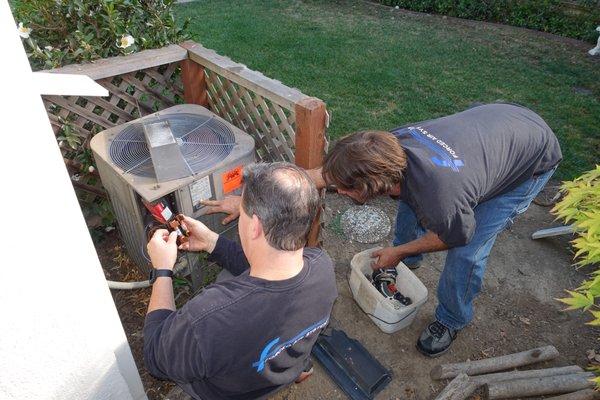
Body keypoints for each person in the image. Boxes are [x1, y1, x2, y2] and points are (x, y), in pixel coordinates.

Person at [204, 103, 562, 358]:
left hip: (530, 157)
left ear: (376, 186)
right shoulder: (384, 154)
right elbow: (313, 179)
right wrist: (250, 203)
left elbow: (455, 235)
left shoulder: (441, 196)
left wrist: (397, 251)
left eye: (345, 190)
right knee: (414, 205)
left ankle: (452, 319)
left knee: (469, 250)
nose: (338, 193)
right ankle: (411, 259)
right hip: (499, 122)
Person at [143, 162, 337, 400]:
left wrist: (162, 270)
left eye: (242, 211)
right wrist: (213, 242)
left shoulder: (209, 317)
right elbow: (272, 269)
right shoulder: (323, 266)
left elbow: (154, 356)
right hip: (278, 376)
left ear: (254, 225)